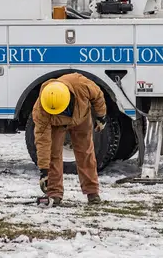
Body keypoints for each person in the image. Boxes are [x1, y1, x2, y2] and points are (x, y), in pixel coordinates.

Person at [31, 73, 107, 205]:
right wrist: (44, 171)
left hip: (81, 118)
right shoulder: (41, 110)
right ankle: (54, 194)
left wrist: (101, 116)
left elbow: (98, 96)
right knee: (53, 154)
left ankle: (92, 192)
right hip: (56, 125)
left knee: (86, 153)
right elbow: (43, 142)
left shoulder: (81, 84)